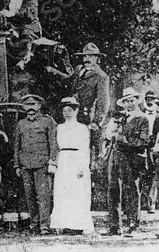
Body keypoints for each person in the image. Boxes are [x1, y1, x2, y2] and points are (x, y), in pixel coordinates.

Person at [103, 87, 150, 236]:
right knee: (113, 190)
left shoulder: (142, 119)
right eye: (126, 101)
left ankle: (132, 224)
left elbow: (143, 142)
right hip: (116, 157)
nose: (129, 103)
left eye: (132, 100)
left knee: (131, 190)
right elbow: (109, 136)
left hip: (132, 159)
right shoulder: (120, 118)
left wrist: (125, 140)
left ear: (137, 101)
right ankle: (114, 226)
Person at [14, 94, 58, 235]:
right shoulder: (21, 124)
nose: (30, 108)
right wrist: (17, 165)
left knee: (44, 196)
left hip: (42, 165)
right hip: (26, 165)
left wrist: (52, 161)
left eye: (33, 105)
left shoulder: (48, 122)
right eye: (27, 105)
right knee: (30, 196)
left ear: (39, 106)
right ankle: (34, 224)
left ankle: (44, 225)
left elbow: (53, 143)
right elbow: (17, 146)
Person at [50, 97, 94, 234]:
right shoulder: (59, 127)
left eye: (70, 110)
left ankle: (77, 225)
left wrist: (82, 167)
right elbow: (55, 147)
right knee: (63, 192)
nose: (67, 113)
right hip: (63, 160)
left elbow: (85, 149)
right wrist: (54, 163)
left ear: (76, 111)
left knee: (77, 192)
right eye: (64, 110)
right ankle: (64, 223)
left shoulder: (82, 128)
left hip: (77, 160)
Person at [69, 43, 111, 165]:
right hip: (75, 116)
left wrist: (96, 122)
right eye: (85, 56)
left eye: (91, 56)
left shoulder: (101, 76)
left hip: (88, 118)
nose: (87, 59)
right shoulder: (79, 70)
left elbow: (103, 102)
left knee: (87, 152)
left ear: (98, 59)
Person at [0, 0, 42, 67]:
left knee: (25, 38)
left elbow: (26, 12)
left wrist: (12, 14)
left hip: (29, 25)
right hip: (14, 26)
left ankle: (24, 61)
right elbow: (5, 10)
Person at [143, 90, 159, 213]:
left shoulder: (158, 114)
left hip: (155, 145)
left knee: (154, 173)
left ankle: (152, 202)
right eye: (148, 98)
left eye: (152, 98)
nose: (150, 101)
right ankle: (144, 201)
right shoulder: (141, 112)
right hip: (144, 144)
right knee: (145, 172)